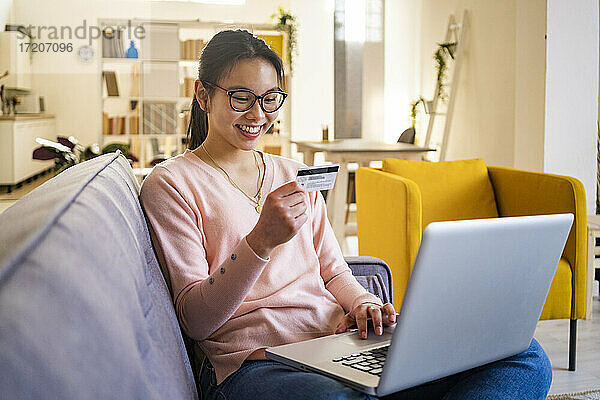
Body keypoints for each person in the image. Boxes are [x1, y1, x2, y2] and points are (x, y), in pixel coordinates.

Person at [139, 29, 552, 400]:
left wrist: (365, 303)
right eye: (241, 98)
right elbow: (196, 320)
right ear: (203, 94)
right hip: (255, 363)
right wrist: (261, 241)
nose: (258, 114)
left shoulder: (292, 175)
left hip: (336, 344)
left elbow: (335, 272)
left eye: (270, 99)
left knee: (521, 353)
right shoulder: (172, 184)